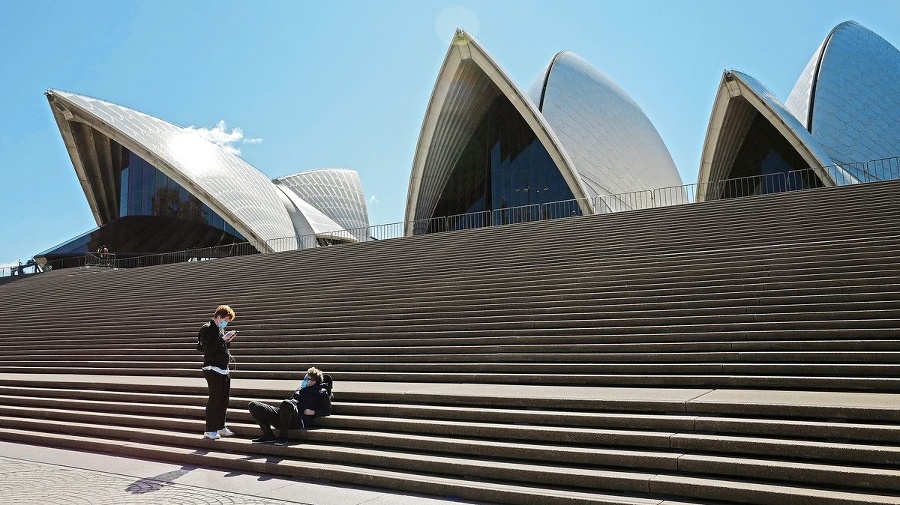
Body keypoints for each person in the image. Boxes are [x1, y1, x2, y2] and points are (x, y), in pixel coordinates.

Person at [248, 367, 332, 445]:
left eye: (307, 379)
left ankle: (283, 436)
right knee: (254, 405)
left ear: (313, 382)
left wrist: (313, 412)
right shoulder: (300, 390)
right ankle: (268, 434)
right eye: (304, 378)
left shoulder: (321, 392)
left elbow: (327, 410)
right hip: (285, 414)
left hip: (299, 419)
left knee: (287, 403)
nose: (304, 380)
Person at [198, 304, 237, 440]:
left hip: (223, 369)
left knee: (224, 400)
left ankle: (220, 426)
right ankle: (210, 430)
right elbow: (207, 349)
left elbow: (220, 347)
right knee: (214, 399)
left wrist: (227, 341)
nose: (226, 323)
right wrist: (223, 339)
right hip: (212, 368)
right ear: (219, 317)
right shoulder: (206, 329)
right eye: (225, 320)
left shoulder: (220, 330)